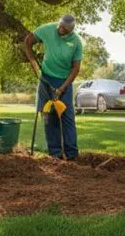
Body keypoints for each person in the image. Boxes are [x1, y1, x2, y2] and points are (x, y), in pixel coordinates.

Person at [22, 14, 82, 160]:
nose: (60, 29)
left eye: (64, 29)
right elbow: (28, 41)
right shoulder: (48, 29)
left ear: (70, 30)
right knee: (48, 116)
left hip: (64, 81)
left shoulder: (76, 42)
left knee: (67, 117)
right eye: (60, 26)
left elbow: (76, 69)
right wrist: (34, 64)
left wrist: (62, 88)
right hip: (46, 79)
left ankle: (72, 155)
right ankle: (55, 154)